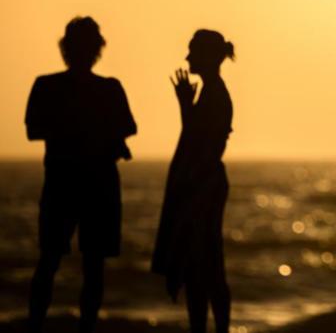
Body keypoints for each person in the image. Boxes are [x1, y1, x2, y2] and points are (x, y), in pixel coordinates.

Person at [25, 17, 136, 333]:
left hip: (69, 183)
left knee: (58, 262)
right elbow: (36, 129)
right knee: (82, 266)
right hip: (88, 184)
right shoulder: (104, 89)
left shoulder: (49, 86)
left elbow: (35, 129)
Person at [152, 29, 235, 333]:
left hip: (203, 185)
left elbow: (201, 144)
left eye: (192, 51)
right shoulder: (209, 92)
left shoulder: (215, 94)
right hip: (200, 182)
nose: (187, 58)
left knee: (206, 264)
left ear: (207, 56)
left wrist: (184, 106)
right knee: (197, 266)